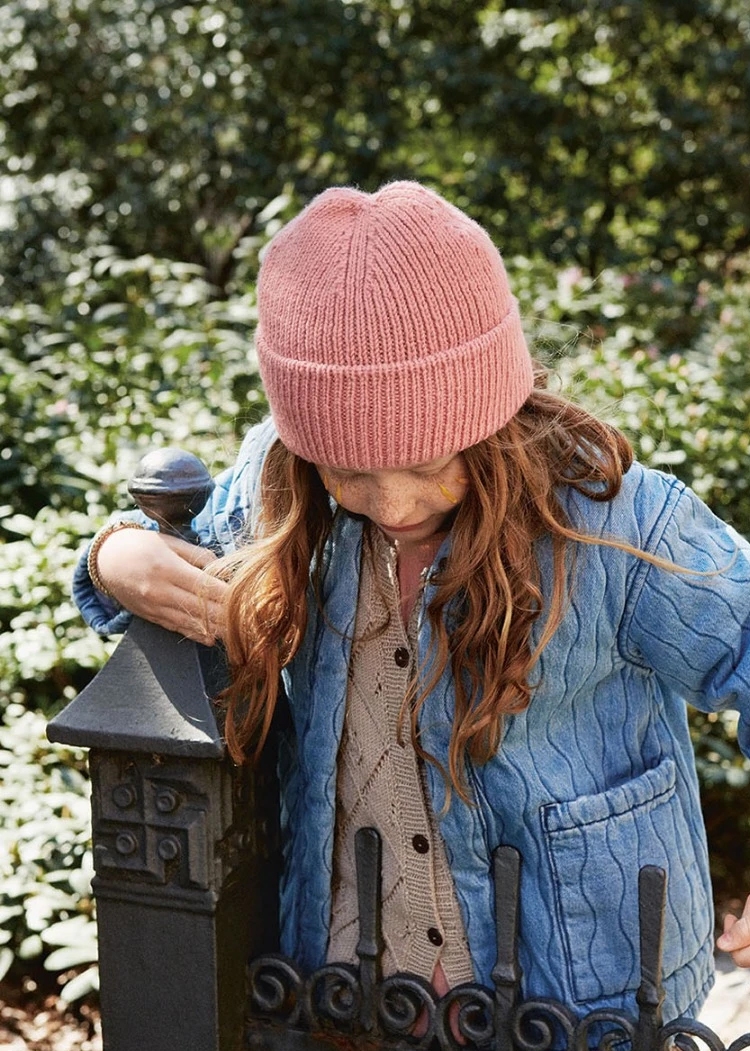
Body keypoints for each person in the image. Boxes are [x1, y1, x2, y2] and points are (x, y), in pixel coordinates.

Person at [73, 181, 750, 1027]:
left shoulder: (614, 521)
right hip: (353, 991)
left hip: (582, 1000)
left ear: (489, 415)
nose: (391, 504)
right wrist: (116, 555)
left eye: (429, 462)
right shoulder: (287, 491)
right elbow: (171, 541)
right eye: (349, 471)